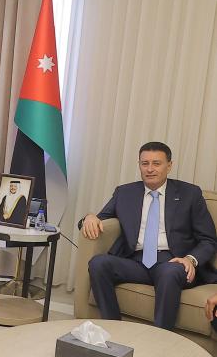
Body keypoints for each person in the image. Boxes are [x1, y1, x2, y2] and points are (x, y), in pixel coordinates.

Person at [82, 141, 217, 330]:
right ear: (139, 165)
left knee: (169, 272)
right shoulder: (125, 192)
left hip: (173, 261)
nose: (150, 169)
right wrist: (89, 217)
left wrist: (190, 259)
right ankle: (112, 328)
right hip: (136, 261)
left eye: (156, 163)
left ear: (169, 166)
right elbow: (100, 217)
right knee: (98, 263)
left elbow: (208, 239)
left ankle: (160, 337)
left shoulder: (190, 194)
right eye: (145, 163)